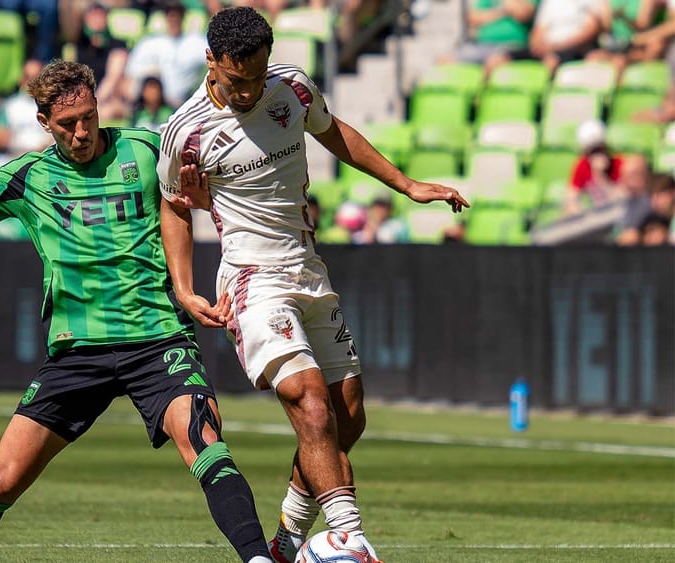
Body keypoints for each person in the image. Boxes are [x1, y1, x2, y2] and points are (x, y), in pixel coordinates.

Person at [0, 59, 275, 563]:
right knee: (3, 480)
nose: (82, 132)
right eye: (68, 124)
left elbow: (198, 192)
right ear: (44, 122)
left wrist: (201, 197)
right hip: (77, 353)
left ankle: (258, 558)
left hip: (156, 337)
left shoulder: (146, 148)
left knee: (205, 441)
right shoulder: (27, 177)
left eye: (89, 117)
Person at [156, 8, 469, 563]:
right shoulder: (187, 130)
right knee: (311, 403)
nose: (249, 90)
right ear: (211, 61)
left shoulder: (292, 88)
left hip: (307, 266)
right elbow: (176, 208)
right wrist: (183, 287)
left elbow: (335, 132)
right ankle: (348, 537)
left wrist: (407, 184)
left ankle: (287, 542)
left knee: (349, 415)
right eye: (236, 79)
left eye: (256, 76)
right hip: (251, 277)